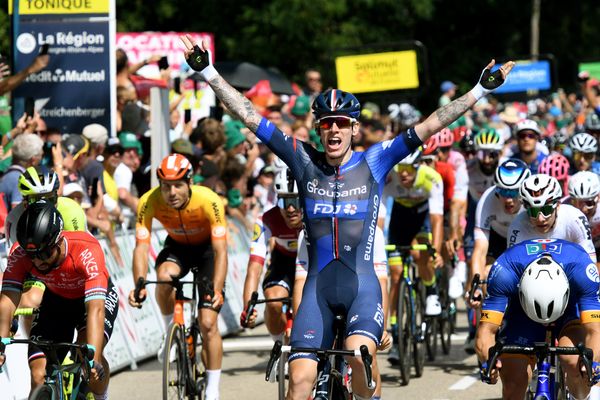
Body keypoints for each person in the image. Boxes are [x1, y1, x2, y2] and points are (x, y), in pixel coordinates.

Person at [181, 33, 514, 400]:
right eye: (326, 124)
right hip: (317, 290)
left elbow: (433, 123)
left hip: (362, 286)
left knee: (360, 358)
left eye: (341, 123)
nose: (334, 130)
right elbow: (249, 114)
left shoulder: (376, 160)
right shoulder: (303, 159)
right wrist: (209, 72)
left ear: (355, 127)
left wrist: (480, 90)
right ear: (318, 128)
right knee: (300, 380)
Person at [128, 153, 227, 400]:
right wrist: (139, 283)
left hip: (207, 252)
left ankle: (213, 389)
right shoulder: (148, 201)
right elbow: (141, 247)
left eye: (177, 186)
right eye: (165, 187)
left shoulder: (209, 200)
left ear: (189, 182)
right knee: (163, 277)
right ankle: (170, 329)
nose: (171, 192)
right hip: (178, 248)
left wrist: (217, 288)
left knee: (207, 323)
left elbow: (220, 250)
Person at [0, 202, 118, 399]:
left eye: (45, 253)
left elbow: (96, 309)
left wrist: (93, 357)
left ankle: (101, 396)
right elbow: (7, 301)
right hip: (57, 299)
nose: (38, 261)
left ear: (58, 240)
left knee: (87, 357)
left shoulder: (86, 250)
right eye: (32, 256)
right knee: (39, 375)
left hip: (90, 301)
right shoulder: (20, 254)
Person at [475, 239, 600, 400]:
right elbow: (486, 330)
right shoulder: (504, 271)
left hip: (570, 308)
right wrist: (489, 362)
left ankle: (584, 396)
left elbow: (595, 330)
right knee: (513, 382)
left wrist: (592, 363)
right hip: (521, 313)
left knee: (576, 362)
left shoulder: (581, 268)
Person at [465, 159, 530, 351]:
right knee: (486, 272)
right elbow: (480, 249)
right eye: (503, 192)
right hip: (497, 239)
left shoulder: (531, 199)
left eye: (513, 192)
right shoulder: (487, 200)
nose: (508, 199)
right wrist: (475, 286)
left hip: (525, 240)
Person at [240, 168, 302, 347]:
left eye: (295, 201)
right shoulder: (267, 219)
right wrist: (248, 307)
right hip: (283, 261)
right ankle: (279, 348)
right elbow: (254, 268)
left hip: (311, 266)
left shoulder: (316, 215)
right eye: (284, 201)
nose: (290, 209)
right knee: (273, 301)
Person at [508, 174, 596, 262]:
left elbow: (590, 261)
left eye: (546, 210)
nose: (540, 219)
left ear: (558, 205)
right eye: (533, 212)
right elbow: (512, 266)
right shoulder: (517, 225)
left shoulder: (575, 218)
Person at [568, 171, 600, 260]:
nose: (583, 209)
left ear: (598, 197)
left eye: (589, 202)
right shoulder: (563, 207)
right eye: (577, 203)